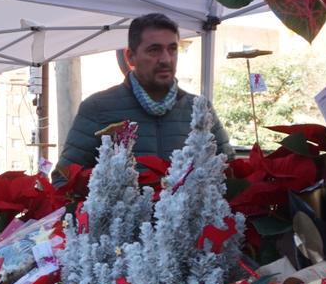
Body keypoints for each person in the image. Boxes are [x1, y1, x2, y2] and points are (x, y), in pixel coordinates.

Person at [52, 13, 233, 183]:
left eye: (172, 49)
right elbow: (63, 180)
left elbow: (230, 172)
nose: (166, 59)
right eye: (154, 50)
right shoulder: (97, 108)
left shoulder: (199, 108)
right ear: (130, 57)